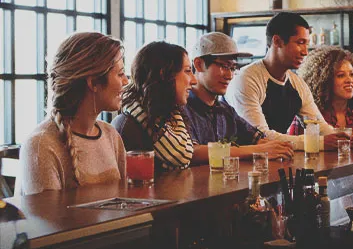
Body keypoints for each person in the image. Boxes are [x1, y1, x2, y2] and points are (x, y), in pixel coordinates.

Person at [18, 32, 128, 195]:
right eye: (120, 74)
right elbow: (49, 219)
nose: (126, 81)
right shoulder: (41, 146)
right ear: (93, 83)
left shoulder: (111, 135)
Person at [225, 12, 353, 150]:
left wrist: (343, 137)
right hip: (239, 164)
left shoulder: (297, 84)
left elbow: (320, 127)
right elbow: (261, 137)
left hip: (276, 158)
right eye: (300, 43)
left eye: (307, 44)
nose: (305, 52)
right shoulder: (247, 79)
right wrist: (317, 143)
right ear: (277, 41)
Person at [185, 32, 294, 160]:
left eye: (232, 68)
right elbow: (192, 152)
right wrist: (256, 150)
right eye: (224, 66)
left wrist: (271, 146)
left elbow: (258, 139)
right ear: (198, 64)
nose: (229, 75)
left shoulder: (226, 111)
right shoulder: (182, 108)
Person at [112, 41, 201, 170]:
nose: (194, 80)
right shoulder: (128, 126)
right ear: (164, 74)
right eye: (187, 71)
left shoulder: (171, 117)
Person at [287, 45, 353, 143]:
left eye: (352, 74)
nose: (349, 80)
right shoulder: (309, 113)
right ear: (324, 80)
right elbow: (293, 148)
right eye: (341, 75)